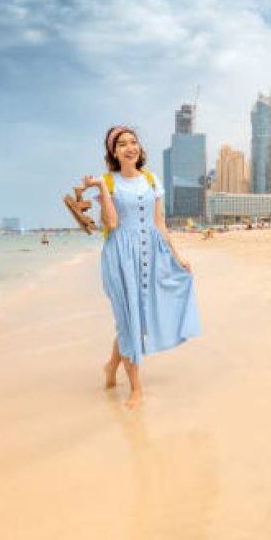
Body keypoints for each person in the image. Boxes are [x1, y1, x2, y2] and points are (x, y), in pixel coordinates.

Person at [82, 125, 202, 409]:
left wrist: (177, 255)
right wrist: (100, 188)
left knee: (135, 319)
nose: (129, 147)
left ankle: (111, 367)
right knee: (128, 319)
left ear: (139, 147)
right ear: (113, 152)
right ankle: (136, 388)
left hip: (151, 253)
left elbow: (159, 223)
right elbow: (111, 223)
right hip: (120, 257)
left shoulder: (151, 179)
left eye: (133, 142)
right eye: (121, 144)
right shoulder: (108, 182)